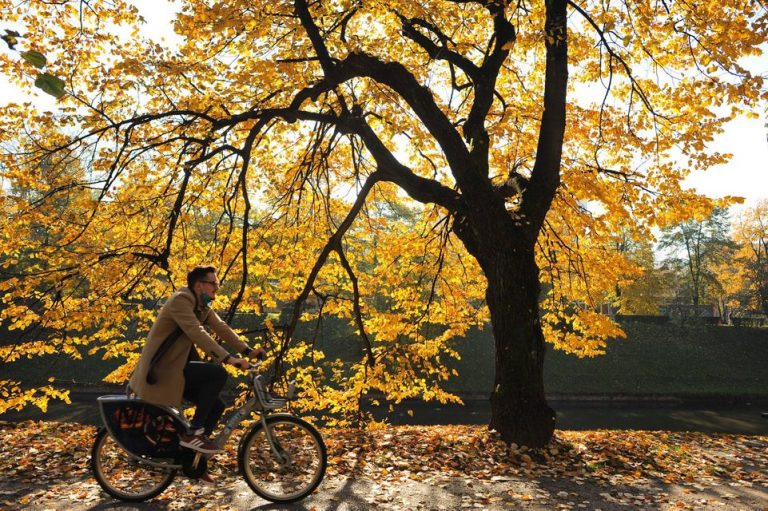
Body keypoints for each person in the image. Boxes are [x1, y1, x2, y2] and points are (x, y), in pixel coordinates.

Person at [129, 265, 264, 460]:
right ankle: (193, 433)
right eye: (214, 284)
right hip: (162, 370)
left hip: (176, 368)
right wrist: (230, 359)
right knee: (218, 374)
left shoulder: (200, 306)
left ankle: (193, 458)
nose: (216, 289)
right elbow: (196, 332)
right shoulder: (181, 301)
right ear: (199, 285)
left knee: (217, 406)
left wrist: (247, 351)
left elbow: (221, 327)